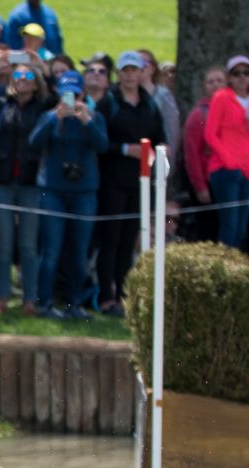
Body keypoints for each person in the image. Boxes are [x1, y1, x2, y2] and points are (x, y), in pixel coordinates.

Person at [31, 69, 107, 318]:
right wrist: (56, 119)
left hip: (84, 192)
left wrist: (87, 121)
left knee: (79, 250)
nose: (70, 99)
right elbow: (34, 143)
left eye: (75, 94)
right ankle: (44, 303)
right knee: (50, 250)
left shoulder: (94, 116)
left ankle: (75, 304)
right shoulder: (49, 117)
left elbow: (102, 145)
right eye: (66, 94)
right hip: (53, 191)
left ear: (82, 94)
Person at [94, 51, 164, 315]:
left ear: (142, 72)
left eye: (134, 69)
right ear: (119, 74)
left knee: (127, 242)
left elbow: (160, 137)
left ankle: (124, 296)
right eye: (125, 70)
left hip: (140, 183)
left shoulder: (150, 104)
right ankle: (105, 297)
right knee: (110, 241)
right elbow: (100, 143)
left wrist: (158, 151)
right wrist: (125, 149)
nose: (130, 75)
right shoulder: (108, 103)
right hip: (112, 181)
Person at [0, 61, 48, 313]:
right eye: (18, 74)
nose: (22, 78)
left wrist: (39, 63)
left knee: (28, 245)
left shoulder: (44, 107)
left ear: (36, 81)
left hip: (30, 184)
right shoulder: (4, 105)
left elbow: (54, 91)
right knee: (3, 242)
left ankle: (30, 298)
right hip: (2, 183)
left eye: (28, 75)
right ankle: (2, 296)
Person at [206, 55, 249, 249]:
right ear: (229, 77)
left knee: (241, 228)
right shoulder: (221, 97)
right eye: (236, 73)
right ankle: (225, 271)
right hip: (225, 168)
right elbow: (210, 134)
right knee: (229, 226)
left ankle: (234, 271)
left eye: (246, 73)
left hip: (247, 169)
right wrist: (228, 160)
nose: (242, 77)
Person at [180, 63, 227, 241]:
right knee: (209, 232)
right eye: (210, 82)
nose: (215, 85)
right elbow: (191, 155)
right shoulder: (199, 116)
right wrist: (200, 187)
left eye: (219, 81)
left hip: (228, 180)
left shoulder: (232, 110)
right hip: (208, 184)